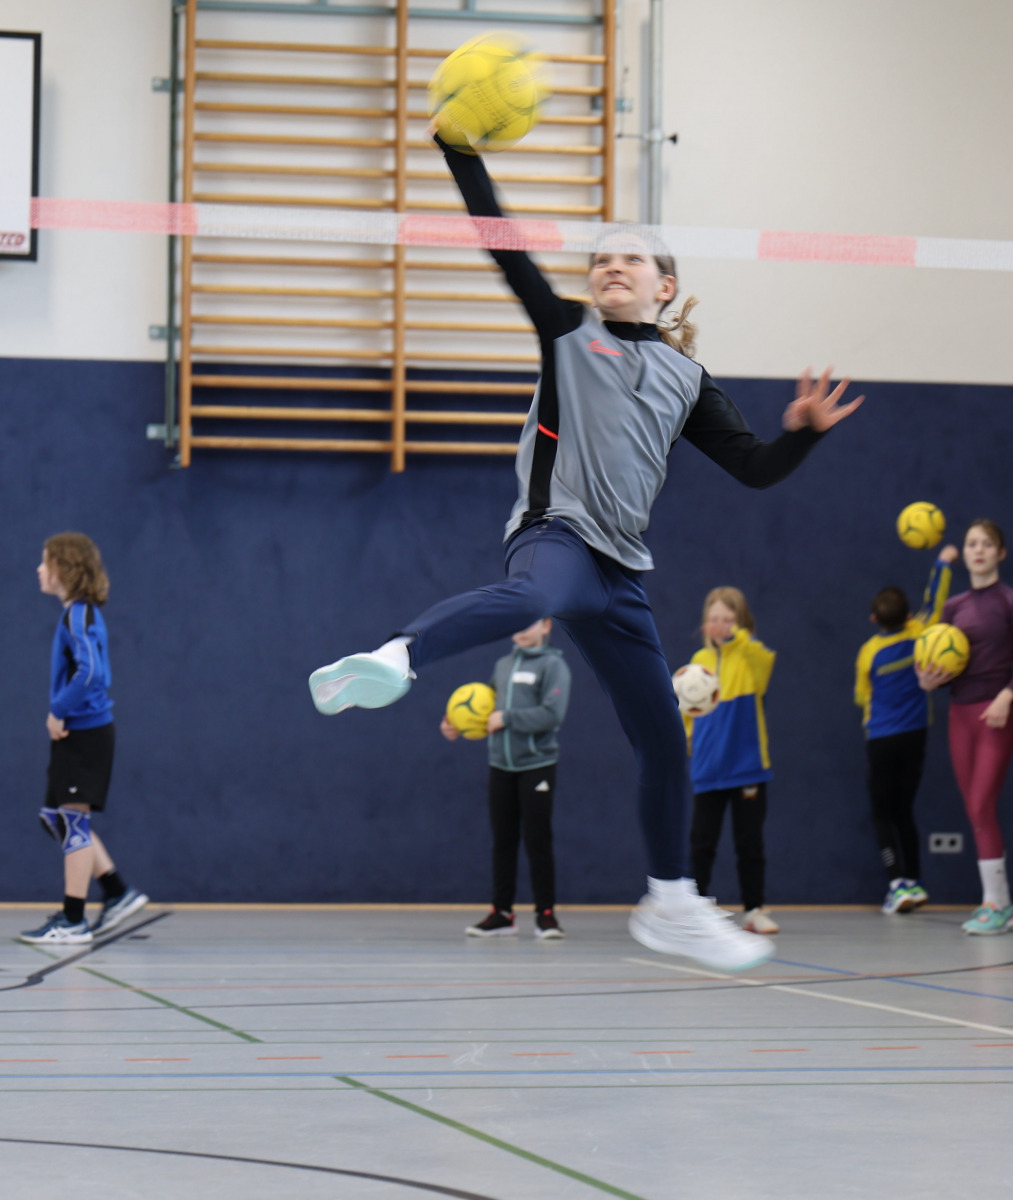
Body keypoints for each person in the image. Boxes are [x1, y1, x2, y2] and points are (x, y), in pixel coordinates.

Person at [308, 133, 862, 972]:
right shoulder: (567, 332)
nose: (611, 265)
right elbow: (502, 242)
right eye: (601, 258)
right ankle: (397, 655)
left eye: (630, 258)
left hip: (620, 574)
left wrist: (802, 435)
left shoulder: (686, 380)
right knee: (533, 598)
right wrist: (460, 153)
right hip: (555, 535)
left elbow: (753, 469)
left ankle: (669, 901)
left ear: (664, 285)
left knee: (663, 740)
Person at [18, 534, 148, 946]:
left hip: (86, 732)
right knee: (56, 816)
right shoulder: (76, 614)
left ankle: (73, 919)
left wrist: (58, 710)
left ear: (65, 568)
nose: (39, 569)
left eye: (45, 562)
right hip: (80, 732)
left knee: (72, 820)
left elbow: (91, 673)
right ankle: (116, 890)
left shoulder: (79, 615)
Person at [441, 618, 571, 939]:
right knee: (503, 842)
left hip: (537, 765)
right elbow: (486, 712)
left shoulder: (553, 666)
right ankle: (502, 913)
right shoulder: (503, 665)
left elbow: (552, 714)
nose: (522, 629)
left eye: (530, 623)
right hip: (500, 766)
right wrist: (456, 724)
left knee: (538, 841)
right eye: (517, 623)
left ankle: (546, 915)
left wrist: (508, 718)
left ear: (546, 625)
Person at [918, 519, 1013, 935]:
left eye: (986, 544)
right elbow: (944, 663)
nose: (978, 550)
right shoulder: (953, 607)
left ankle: (997, 903)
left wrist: (1007, 696)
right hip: (960, 715)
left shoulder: (1008, 601)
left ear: (1000, 553)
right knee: (975, 810)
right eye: (972, 543)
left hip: (997, 714)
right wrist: (929, 681)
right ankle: (998, 903)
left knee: (980, 805)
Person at [855, 545, 958, 914]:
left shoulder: (869, 652)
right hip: (915, 736)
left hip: (881, 739)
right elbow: (936, 601)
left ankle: (897, 885)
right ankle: (915, 880)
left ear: (874, 619)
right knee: (904, 810)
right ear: (909, 615)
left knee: (883, 813)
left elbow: (862, 695)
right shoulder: (921, 633)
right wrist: (943, 563)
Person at [684, 588, 778, 935]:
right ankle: (695, 910)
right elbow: (687, 711)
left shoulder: (753, 657)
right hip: (708, 768)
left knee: (749, 843)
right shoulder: (697, 661)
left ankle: (754, 910)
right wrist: (688, 738)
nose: (719, 625)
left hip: (747, 768)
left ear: (741, 623)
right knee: (701, 843)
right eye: (713, 619)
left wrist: (738, 638)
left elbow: (764, 661)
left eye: (727, 619)